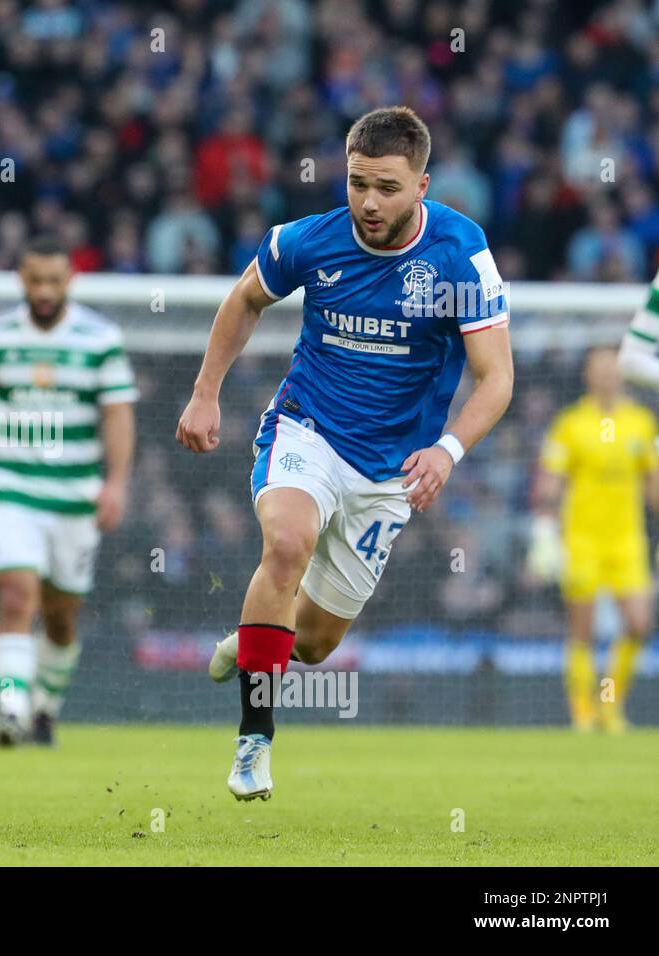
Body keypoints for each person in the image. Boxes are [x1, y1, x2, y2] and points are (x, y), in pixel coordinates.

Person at [176, 107, 514, 800]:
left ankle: (250, 639)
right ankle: (254, 740)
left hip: (391, 468)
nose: (367, 202)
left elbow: (497, 376)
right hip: (308, 429)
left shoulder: (460, 252)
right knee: (286, 545)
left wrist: (448, 451)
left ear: (423, 184)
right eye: (357, 182)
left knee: (317, 642)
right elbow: (245, 298)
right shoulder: (311, 240)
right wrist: (206, 392)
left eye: (387, 187)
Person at [0, 237, 137, 746]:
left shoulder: (100, 338)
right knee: (14, 595)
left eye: (54, 279)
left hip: (75, 495)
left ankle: (45, 706)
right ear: (21, 280)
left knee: (61, 616)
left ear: (70, 280)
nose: (44, 290)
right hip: (12, 489)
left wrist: (115, 483)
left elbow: (117, 415)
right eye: (35, 280)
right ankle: (11, 710)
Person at [533, 347, 657, 733]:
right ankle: (583, 713)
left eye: (612, 368)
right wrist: (544, 535)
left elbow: (654, 487)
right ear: (587, 375)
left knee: (638, 625)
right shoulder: (570, 424)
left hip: (626, 541)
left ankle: (610, 704)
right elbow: (548, 484)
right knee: (582, 630)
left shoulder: (642, 423)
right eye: (598, 369)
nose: (606, 375)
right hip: (582, 540)